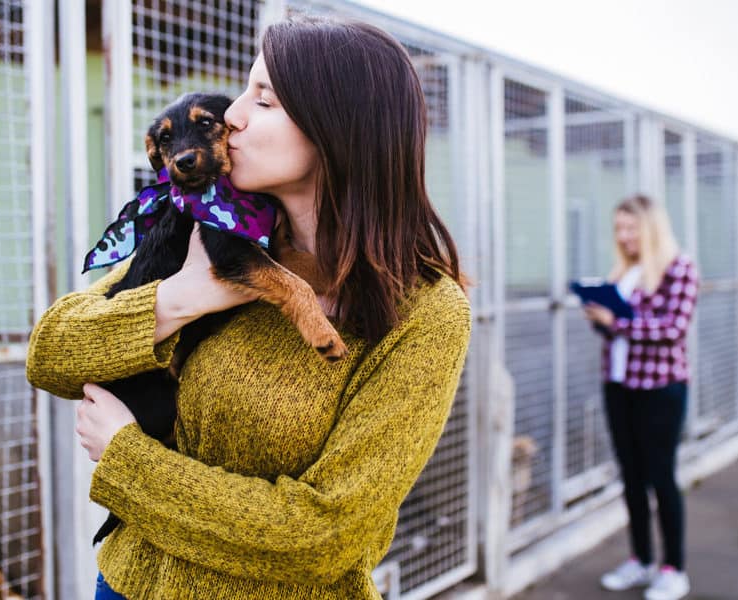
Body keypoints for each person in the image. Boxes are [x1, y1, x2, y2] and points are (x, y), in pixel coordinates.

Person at [25, 16, 471, 599]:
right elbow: (49, 354)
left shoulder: (427, 313)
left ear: (338, 130)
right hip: (126, 583)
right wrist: (183, 296)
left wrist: (127, 461)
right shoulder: (210, 232)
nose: (232, 114)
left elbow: (324, 535)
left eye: (264, 100)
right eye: (243, 91)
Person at [582, 194, 698, 600]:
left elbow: (673, 329)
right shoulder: (624, 270)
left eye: (631, 228)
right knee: (631, 478)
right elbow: (617, 332)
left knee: (661, 478)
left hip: (660, 389)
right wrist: (600, 317)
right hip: (619, 386)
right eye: (618, 228)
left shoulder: (679, 268)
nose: (624, 236)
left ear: (650, 228)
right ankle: (641, 560)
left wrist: (618, 321)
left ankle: (673, 569)